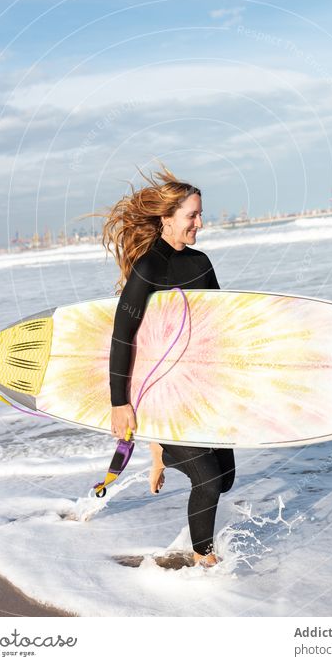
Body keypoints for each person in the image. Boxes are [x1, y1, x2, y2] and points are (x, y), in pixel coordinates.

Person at [98, 164, 235, 567]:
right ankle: (203, 560)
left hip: (199, 388)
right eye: (192, 215)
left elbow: (218, 325)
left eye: (200, 214)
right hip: (161, 392)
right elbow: (122, 335)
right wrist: (118, 402)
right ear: (167, 219)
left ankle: (166, 454)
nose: (200, 223)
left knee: (224, 479)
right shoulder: (149, 268)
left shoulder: (201, 263)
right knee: (208, 482)